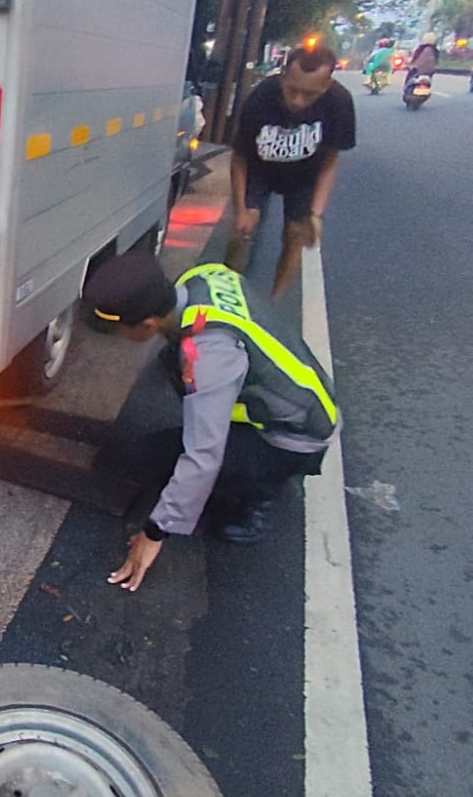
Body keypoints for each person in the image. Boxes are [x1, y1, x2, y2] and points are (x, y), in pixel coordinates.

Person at [82, 250, 340, 593]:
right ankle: (246, 468)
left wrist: (154, 532)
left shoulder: (209, 352)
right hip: (297, 396)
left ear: (148, 325)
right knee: (148, 447)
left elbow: (203, 456)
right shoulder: (200, 277)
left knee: (150, 462)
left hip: (293, 438)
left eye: (119, 331)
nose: (118, 338)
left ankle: (256, 499)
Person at [226, 44, 356, 300]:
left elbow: (331, 160)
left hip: (305, 174)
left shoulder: (339, 102)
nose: (298, 101)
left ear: (326, 85)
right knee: (243, 229)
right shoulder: (261, 96)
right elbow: (239, 157)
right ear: (283, 76)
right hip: (260, 168)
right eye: (292, 90)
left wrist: (315, 214)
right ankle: (228, 291)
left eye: (309, 94)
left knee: (295, 234)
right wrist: (241, 210)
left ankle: (274, 302)